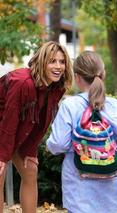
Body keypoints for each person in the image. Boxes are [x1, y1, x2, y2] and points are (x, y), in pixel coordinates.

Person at [46, 51, 117, 213]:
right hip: (110, 195)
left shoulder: (70, 106)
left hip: (78, 191)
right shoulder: (115, 107)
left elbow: (59, 143)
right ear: (103, 75)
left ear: (77, 77)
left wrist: (50, 146)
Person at [0, 41, 72, 212]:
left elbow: (41, 121)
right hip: (4, 125)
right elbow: (9, 121)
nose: (58, 66)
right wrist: (2, 157)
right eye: (52, 61)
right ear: (42, 62)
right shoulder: (23, 82)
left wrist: (30, 150)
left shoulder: (56, 87)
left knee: (30, 170)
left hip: (15, 127)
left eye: (62, 62)